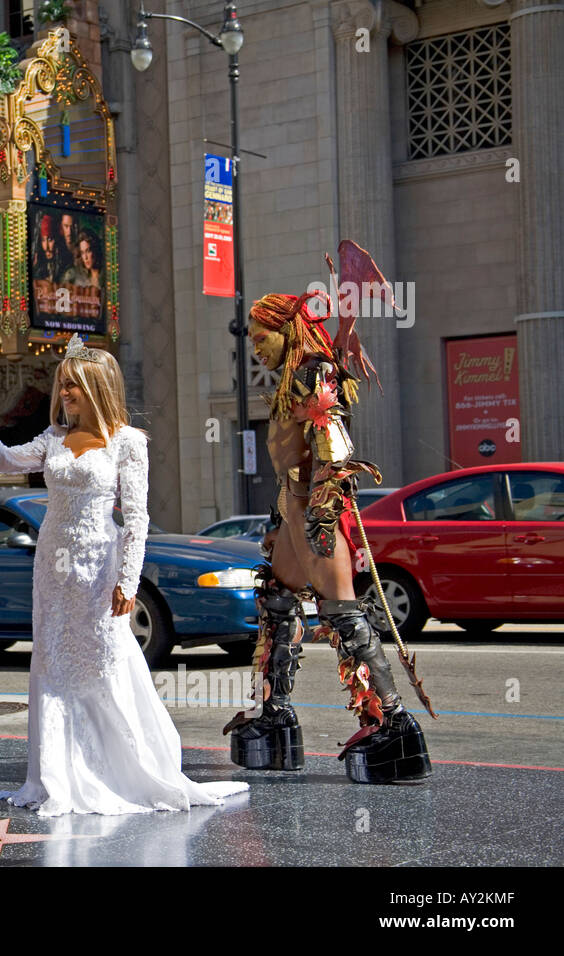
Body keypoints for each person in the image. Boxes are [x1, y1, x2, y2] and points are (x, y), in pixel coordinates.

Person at [0, 334, 249, 816]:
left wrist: (128, 582)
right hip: (52, 569)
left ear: (98, 387)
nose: (66, 393)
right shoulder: (52, 439)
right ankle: (59, 776)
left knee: (101, 661)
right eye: (63, 385)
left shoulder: (128, 442)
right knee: (53, 662)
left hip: (99, 565)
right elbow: (3, 459)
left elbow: (137, 520)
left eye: (74, 385)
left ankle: (119, 771)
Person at [223, 242, 433, 783]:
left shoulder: (315, 373)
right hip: (292, 510)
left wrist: (318, 517)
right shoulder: (288, 380)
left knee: (341, 611)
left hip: (316, 510)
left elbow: (333, 450)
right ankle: (275, 717)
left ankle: (391, 724)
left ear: (284, 330)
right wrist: (280, 524)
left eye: (260, 336)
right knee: (275, 597)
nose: (254, 348)